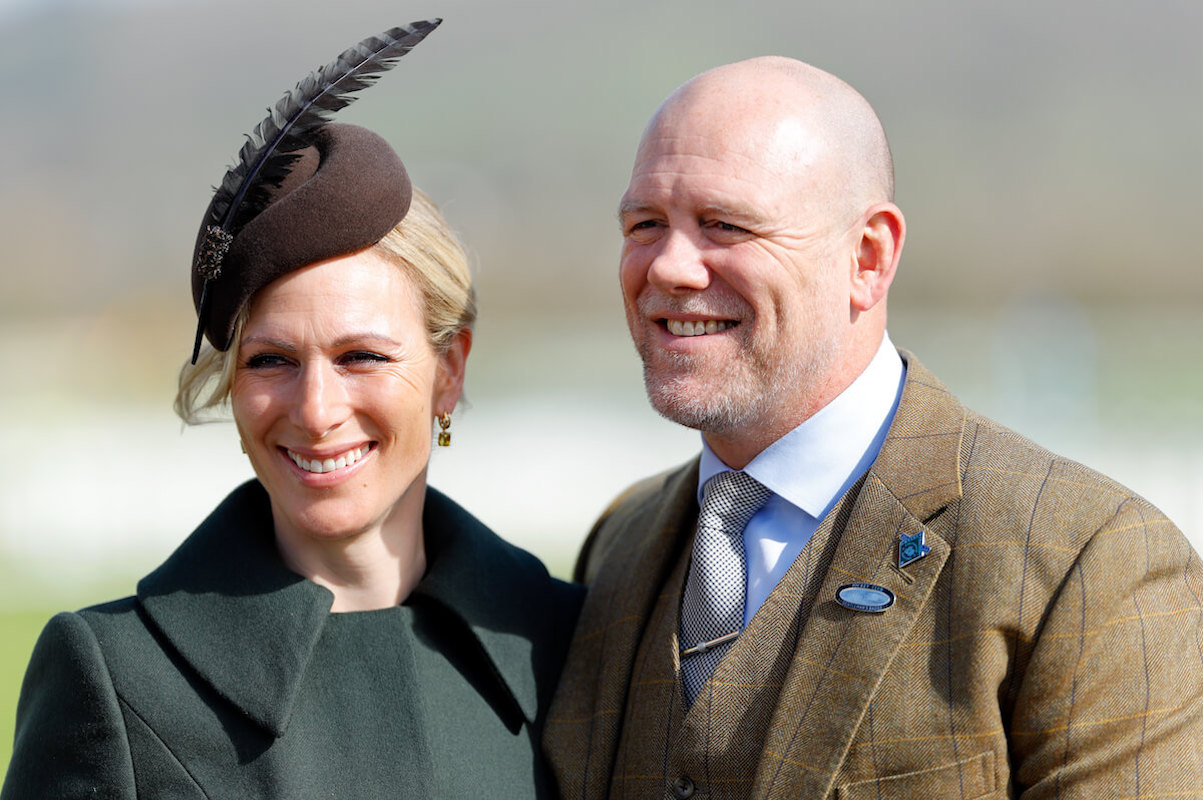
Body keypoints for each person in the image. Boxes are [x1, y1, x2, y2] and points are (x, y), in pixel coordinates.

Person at [544, 56, 1203, 798]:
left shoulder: (1086, 559)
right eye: (645, 224)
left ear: (867, 258)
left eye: (724, 225)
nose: (670, 266)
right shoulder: (619, 544)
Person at [3, 23, 580, 799]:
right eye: (271, 360)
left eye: (361, 357)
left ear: (449, 371)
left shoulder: (568, 642)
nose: (315, 410)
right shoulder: (114, 677)